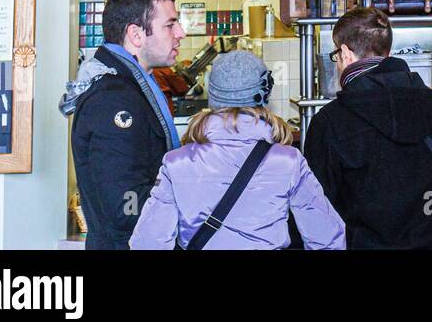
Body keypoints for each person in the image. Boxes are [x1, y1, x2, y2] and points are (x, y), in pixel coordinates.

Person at [130, 50, 345, 250]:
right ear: (263, 94)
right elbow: (327, 237)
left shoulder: (177, 163)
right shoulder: (288, 161)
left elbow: (148, 242)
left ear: (213, 93)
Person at [303, 7, 432, 249]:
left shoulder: (329, 122)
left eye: (336, 56)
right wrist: (426, 220)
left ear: (346, 53)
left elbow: (318, 207)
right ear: (387, 52)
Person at [61, 0, 185, 249]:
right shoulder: (114, 99)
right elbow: (123, 207)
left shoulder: (130, 87)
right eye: (170, 24)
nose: (181, 33)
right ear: (136, 35)